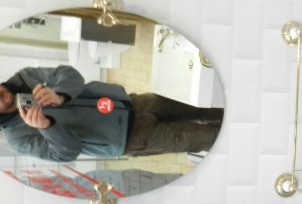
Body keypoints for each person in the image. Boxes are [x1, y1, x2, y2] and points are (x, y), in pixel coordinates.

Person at [0, 65, 223, 163]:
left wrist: (60, 95)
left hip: (132, 102)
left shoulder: (25, 77)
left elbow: (68, 74)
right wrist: (47, 127)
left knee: (202, 111)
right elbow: (65, 154)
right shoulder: (17, 138)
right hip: (131, 138)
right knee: (208, 137)